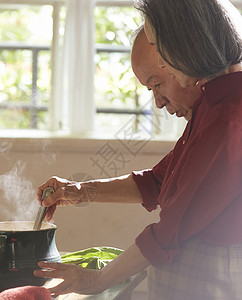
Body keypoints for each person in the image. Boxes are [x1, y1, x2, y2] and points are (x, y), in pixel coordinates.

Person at [35, 0, 242, 298]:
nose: (157, 101)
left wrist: (97, 280)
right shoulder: (213, 104)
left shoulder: (227, 119)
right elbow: (159, 181)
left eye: (158, 79)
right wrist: (76, 190)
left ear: (187, 45)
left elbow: (170, 231)